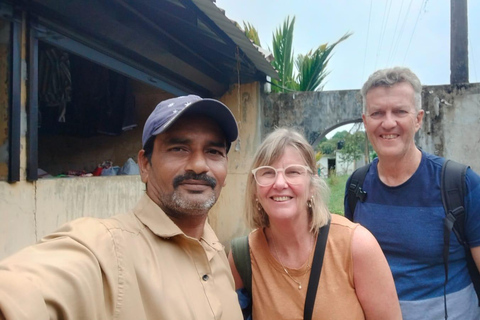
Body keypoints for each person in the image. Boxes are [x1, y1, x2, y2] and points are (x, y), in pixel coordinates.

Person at [0, 95, 243, 320]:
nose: (199, 165)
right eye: (179, 148)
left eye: (213, 151)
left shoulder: (216, 250)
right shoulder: (106, 250)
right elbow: (20, 290)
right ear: (145, 165)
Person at [344, 67, 480, 319]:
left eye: (399, 111)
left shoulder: (460, 184)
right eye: (377, 113)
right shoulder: (356, 185)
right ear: (365, 122)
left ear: (418, 119)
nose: (388, 122)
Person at [229, 127, 402, 319]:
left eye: (293, 172)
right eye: (267, 173)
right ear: (255, 188)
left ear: (312, 185)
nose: (279, 183)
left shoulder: (356, 246)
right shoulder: (243, 256)